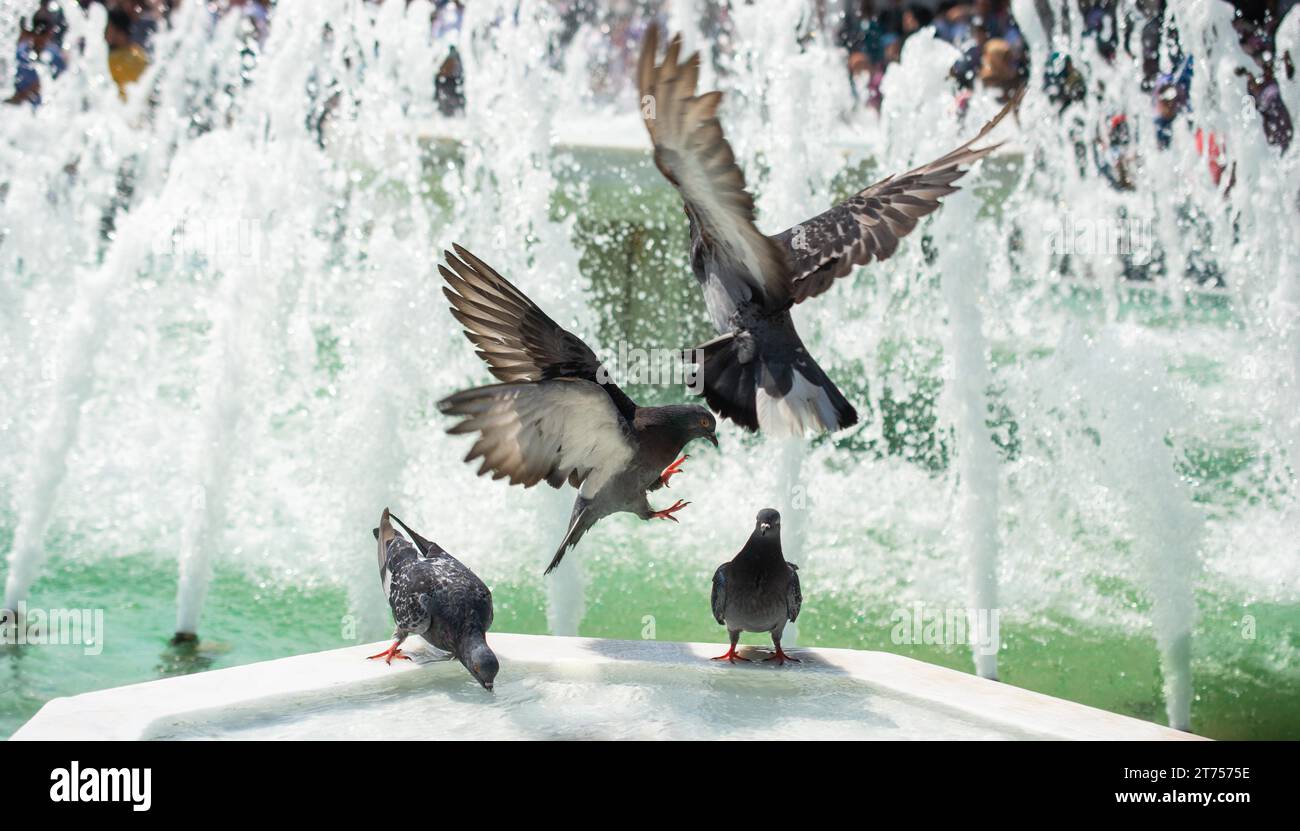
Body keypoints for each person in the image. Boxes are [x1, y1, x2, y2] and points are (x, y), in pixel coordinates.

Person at [6, 2, 67, 107]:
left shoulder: (54, 58)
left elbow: (56, 88)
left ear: (51, 33)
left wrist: (22, 96)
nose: (38, 38)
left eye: (43, 34)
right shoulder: (20, 53)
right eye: (33, 32)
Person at [106, 7, 150, 100]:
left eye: (108, 28)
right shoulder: (140, 53)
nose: (105, 33)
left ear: (119, 32)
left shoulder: (112, 60)